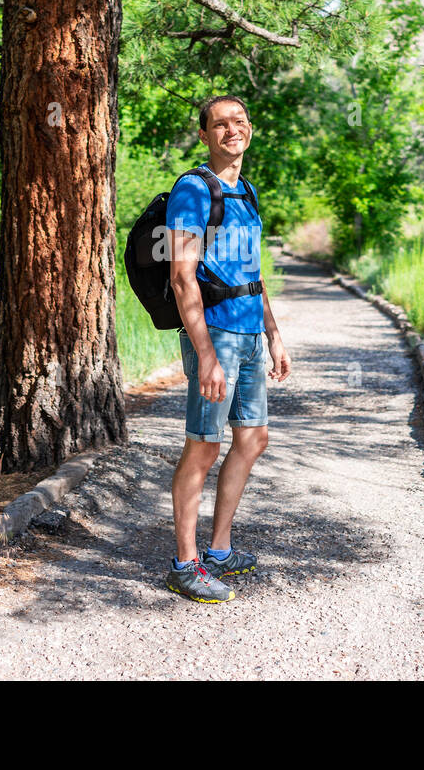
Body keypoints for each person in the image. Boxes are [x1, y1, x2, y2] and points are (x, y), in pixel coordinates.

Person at [163, 94, 292, 602]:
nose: (231, 130)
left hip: (249, 336)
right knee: (204, 445)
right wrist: (207, 355)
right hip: (213, 336)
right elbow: (180, 277)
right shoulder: (193, 190)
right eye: (220, 124)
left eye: (239, 121)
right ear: (204, 135)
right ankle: (184, 563)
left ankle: (219, 550)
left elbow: (252, 277)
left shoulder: (248, 192)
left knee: (253, 438)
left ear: (251, 128)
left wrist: (275, 333)